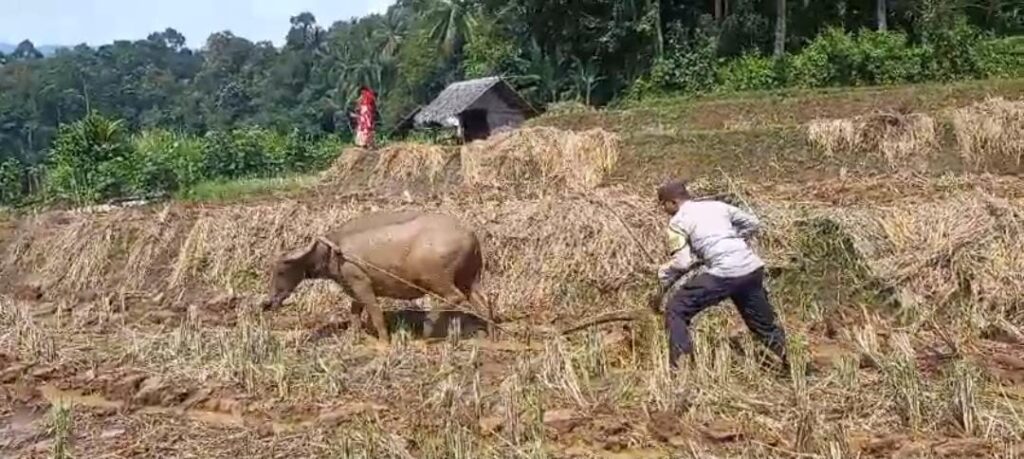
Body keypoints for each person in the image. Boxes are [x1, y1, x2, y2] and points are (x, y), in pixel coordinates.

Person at [654, 180, 789, 371]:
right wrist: (732, 240)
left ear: (673, 202)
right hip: (751, 268)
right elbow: (754, 223)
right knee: (763, 326)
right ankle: (796, 363)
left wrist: (663, 274)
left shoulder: (677, 223)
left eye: (663, 204)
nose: (663, 209)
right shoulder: (717, 206)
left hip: (726, 273)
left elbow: (682, 263)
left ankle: (681, 366)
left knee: (677, 308)